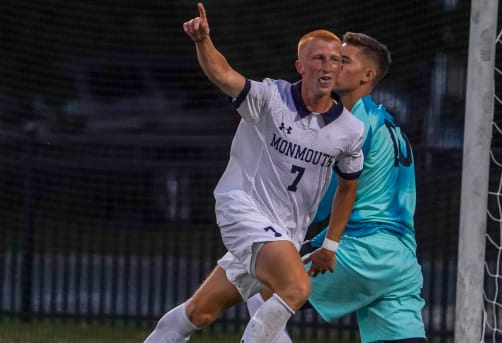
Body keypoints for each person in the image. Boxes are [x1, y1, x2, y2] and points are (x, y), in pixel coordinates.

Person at [143, 3, 365, 343]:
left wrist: (331, 245)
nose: (328, 66)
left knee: (200, 311)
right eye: (319, 58)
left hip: (283, 234)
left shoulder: (350, 129)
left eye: (335, 59)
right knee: (296, 287)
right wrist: (203, 41)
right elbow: (224, 75)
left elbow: (348, 187)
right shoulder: (270, 97)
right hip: (242, 209)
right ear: (300, 66)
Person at [247, 32, 427, 343]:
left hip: (361, 247)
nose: (331, 65)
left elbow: (324, 195)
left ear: (367, 75)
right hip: (401, 258)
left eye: (342, 60)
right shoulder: (386, 123)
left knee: (261, 293)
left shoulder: (352, 126)